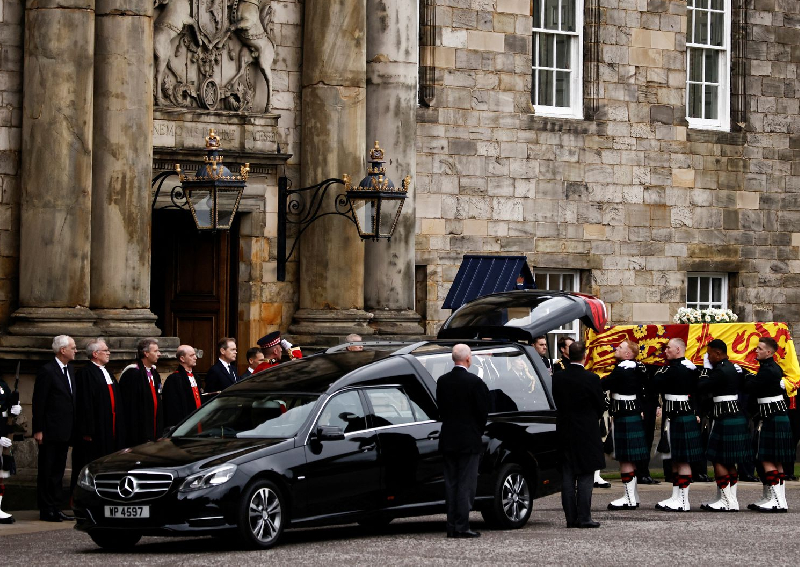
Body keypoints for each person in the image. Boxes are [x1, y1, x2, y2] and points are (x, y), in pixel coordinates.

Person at [436, 344, 490, 538]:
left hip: (449, 437)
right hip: (468, 439)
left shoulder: (442, 381)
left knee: (451, 483)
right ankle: (462, 525)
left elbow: (441, 408)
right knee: (466, 484)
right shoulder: (475, 382)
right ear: (468, 359)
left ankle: (452, 525)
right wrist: (476, 430)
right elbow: (482, 412)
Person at [552, 341, 605, 528]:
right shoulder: (591, 378)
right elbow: (600, 406)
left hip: (564, 429)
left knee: (567, 477)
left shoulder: (558, 378)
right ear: (585, 355)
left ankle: (571, 518)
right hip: (586, 431)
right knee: (585, 475)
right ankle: (584, 517)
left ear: (568, 355)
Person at [696, 339, 751, 512]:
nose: (708, 356)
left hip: (725, 416)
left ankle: (726, 500)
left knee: (718, 458)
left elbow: (701, 386)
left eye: (709, 353)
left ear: (718, 353)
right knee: (729, 461)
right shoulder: (733, 368)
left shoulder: (720, 370)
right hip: (733, 415)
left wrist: (705, 369)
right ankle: (730, 499)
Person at [652, 338, 702, 511]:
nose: (665, 351)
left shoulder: (681, 369)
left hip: (681, 416)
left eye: (668, 348)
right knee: (675, 458)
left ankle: (683, 500)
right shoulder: (682, 368)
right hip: (673, 416)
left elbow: (657, 382)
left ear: (678, 350)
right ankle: (676, 496)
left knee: (682, 459)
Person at [32, 335, 77, 522]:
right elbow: (39, 401)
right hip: (50, 430)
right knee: (47, 470)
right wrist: (38, 429)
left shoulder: (70, 370)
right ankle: (46, 508)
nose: (76, 350)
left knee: (58, 470)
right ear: (63, 350)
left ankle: (56, 506)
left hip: (65, 430)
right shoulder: (47, 371)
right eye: (73, 348)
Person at [745, 336, 792, 512]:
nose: (756, 351)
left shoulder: (768, 370)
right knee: (776, 460)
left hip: (772, 417)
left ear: (769, 352)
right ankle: (778, 499)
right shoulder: (771, 368)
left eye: (759, 348)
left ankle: (777, 501)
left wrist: (746, 375)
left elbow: (752, 387)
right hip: (775, 416)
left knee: (766, 458)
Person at [604, 340, 649, 510]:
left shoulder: (624, 369)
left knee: (626, 458)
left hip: (625, 414)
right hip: (631, 412)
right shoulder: (636, 368)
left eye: (620, 347)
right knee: (629, 457)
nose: (616, 348)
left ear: (628, 354)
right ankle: (633, 495)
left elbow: (606, 384)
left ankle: (629, 498)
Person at [72, 339, 122, 493]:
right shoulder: (85, 373)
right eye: (105, 350)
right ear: (95, 354)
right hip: (96, 430)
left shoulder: (107, 372)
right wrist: (87, 430)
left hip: (110, 427)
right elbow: (85, 404)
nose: (108, 353)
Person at [119, 338, 163, 447]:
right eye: (156, 351)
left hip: (154, 426)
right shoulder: (132, 374)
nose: (159, 354)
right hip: (138, 429)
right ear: (146, 353)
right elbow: (129, 405)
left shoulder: (154, 373)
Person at [162, 345, 202, 429]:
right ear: (182, 359)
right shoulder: (174, 379)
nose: (195, 358)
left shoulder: (196, 377)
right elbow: (173, 407)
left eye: (195, 354)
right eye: (191, 355)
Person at [0, 376, 22, 523]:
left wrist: (15, 409)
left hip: (3, 432)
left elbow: (7, 407)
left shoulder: (2, 385)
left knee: (1, 472)